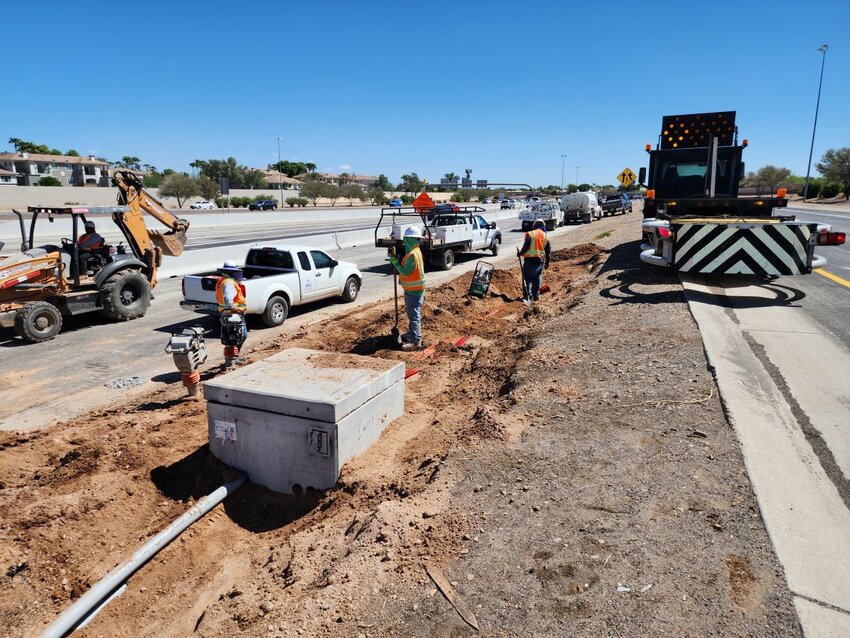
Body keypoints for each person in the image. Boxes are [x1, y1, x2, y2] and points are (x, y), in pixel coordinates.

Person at [390, 226, 426, 351]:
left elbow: (405, 272)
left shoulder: (412, 255)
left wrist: (395, 263)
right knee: (412, 314)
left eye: (405, 240)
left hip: (414, 291)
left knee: (414, 315)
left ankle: (416, 341)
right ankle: (412, 333)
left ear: (408, 240)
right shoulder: (415, 251)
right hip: (412, 290)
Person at [216, 260, 248, 352]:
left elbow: (218, 297)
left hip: (224, 313)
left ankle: (231, 357)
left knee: (229, 336)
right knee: (241, 335)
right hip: (234, 314)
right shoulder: (229, 282)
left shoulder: (220, 281)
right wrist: (235, 309)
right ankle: (234, 356)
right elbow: (228, 299)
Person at [518, 218, 551, 303]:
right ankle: (536, 295)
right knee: (537, 277)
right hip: (539, 261)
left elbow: (526, 246)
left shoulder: (530, 234)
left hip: (529, 260)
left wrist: (520, 253)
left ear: (534, 226)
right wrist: (547, 263)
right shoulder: (546, 236)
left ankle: (528, 296)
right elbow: (548, 251)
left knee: (528, 278)